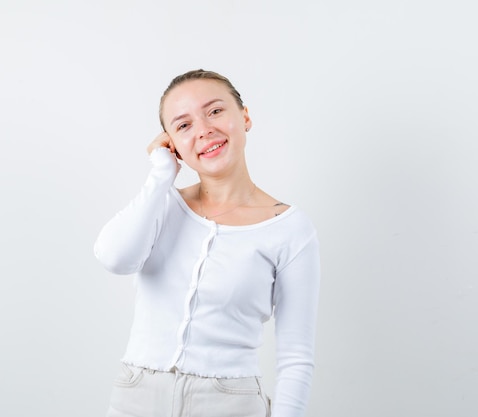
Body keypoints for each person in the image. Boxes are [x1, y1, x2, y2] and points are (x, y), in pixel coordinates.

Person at [94, 69, 321, 417]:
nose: (203, 130)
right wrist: (161, 174)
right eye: (183, 125)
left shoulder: (290, 229)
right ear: (171, 143)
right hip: (135, 397)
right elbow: (113, 258)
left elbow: (295, 359)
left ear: (244, 117)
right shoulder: (162, 205)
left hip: (229, 401)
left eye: (215, 111)